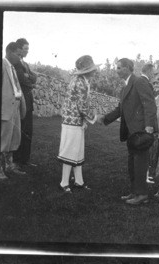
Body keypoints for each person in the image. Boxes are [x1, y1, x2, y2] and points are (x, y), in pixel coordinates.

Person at [98, 61, 157, 205]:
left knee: (140, 164)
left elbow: (150, 104)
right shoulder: (125, 87)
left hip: (141, 131)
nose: (116, 70)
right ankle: (135, 192)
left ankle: (142, 194)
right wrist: (105, 119)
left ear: (127, 68)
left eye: (118, 67)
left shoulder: (139, 82)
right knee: (133, 164)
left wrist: (149, 126)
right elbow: (120, 109)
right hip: (131, 132)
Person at [56, 55, 99, 193]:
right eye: (92, 69)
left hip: (76, 120)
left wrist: (85, 120)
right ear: (86, 71)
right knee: (70, 150)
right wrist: (94, 117)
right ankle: (64, 182)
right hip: (72, 121)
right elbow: (82, 106)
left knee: (78, 151)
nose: (95, 71)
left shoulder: (83, 81)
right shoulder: (80, 83)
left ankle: (79, 181)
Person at [12, 38, 38, 173]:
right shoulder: (15, 63)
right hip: (21, 102)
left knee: (28, 131)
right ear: (19, 49)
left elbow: (34, 77)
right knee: (19, 131)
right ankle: (16, 162)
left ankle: (25, 160)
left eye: (28, 48)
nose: (27, 51)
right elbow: (22, 80)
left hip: (28, 102)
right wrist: (30, 80)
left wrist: (30, 77)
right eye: (25, 48)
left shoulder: (25, 64)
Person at [1, 42, 26, 179]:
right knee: (3, 140)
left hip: (15, 107)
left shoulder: (13, 68)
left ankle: (9, 165)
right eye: (18, 54)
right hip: (5, 108)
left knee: (14, 139)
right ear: (9, 52)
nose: (20, 58)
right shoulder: (0, 64)